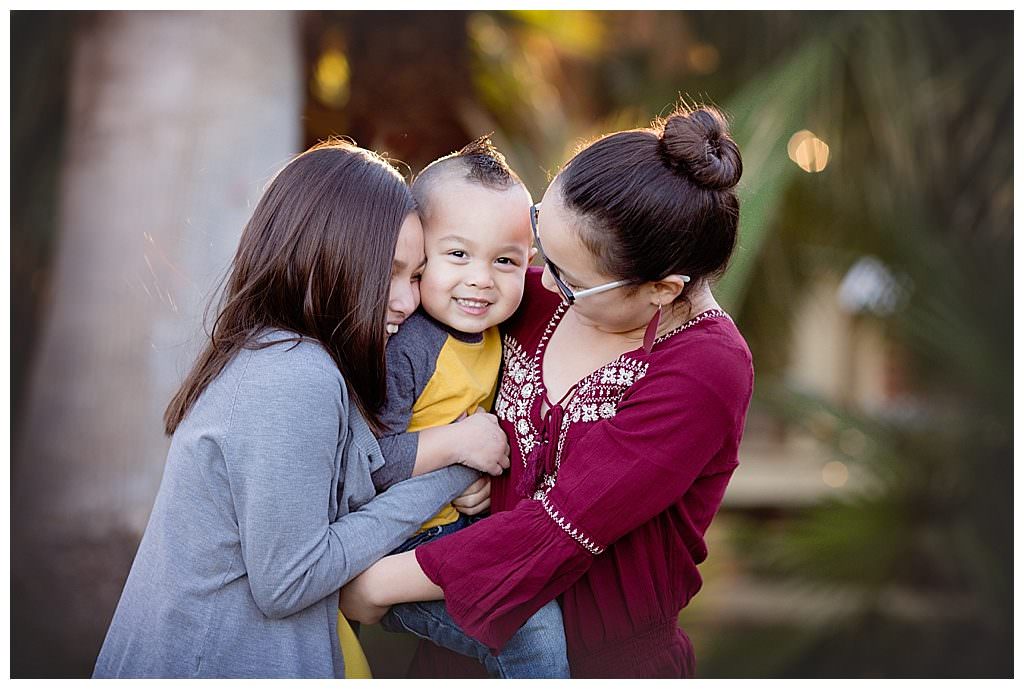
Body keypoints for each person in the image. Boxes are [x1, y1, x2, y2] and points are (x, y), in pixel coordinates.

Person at [339, 106, 755, 678]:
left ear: (662, 289)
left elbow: (558, 526)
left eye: (569, 278)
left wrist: (369, 582)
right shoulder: (523, 294)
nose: (537, 277)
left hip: (594, 664)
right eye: (537, 242)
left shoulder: (706, 369)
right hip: (457, 639)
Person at [92, 140, 490, 679]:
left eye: (416, 275)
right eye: (389, 273)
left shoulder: (279, 354)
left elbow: (329, 507)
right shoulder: (295, 374)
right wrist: (455, 469)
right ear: (327, 256)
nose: (408, 300)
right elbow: (290, 579)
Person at [362, 137, 569, 678]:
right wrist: (460, 448)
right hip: (395, 548)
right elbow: (366, 460)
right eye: (457, 254)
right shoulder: (409, 345)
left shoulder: (493, 333)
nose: (481, 278)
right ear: (416, 253)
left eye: (505, 260)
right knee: (530, 632)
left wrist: (464, 478)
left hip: (449, 536)